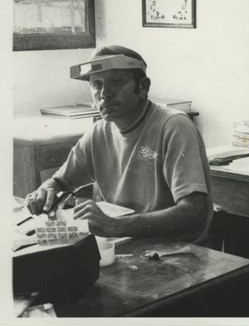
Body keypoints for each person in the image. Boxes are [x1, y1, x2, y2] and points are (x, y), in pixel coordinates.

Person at [25, 45, 213, 244]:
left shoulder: (174, 126)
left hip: (179, 251)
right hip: (125, 245)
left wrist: (114, 226)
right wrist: (46, 190)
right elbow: (60, 182)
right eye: (97, 84)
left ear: (143, 87)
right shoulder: (99, 131)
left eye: (116, 81)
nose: (105, 93)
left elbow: (194, 214)